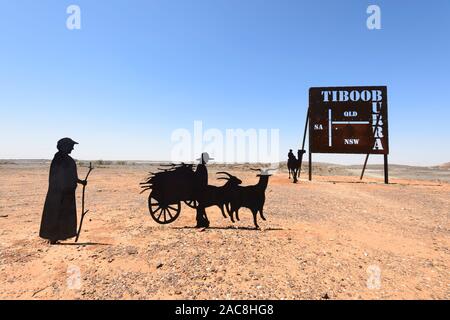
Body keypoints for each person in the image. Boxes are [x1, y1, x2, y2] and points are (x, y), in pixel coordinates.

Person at [39, 138, 87, 244]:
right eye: (71, 146)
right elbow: (63, 177)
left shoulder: (61, 158)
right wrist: (77, 183)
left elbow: (70, 176)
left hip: (62, 193)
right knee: (58, 214)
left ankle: (56, 236)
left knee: (60, 214)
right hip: (61, 194)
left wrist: (80, 182)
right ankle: (53, 236)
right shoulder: (62, 159)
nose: (73, 148)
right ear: (64, 146)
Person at [194, 152, 213, 228]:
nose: (207, 161)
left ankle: (201, 221)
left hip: (201, 189)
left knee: (200, 207)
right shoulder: (201, 166)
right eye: (206, 159)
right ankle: (201, 222)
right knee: (201, 207)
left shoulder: (201, 166)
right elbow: (199, 178)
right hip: (201, 189)